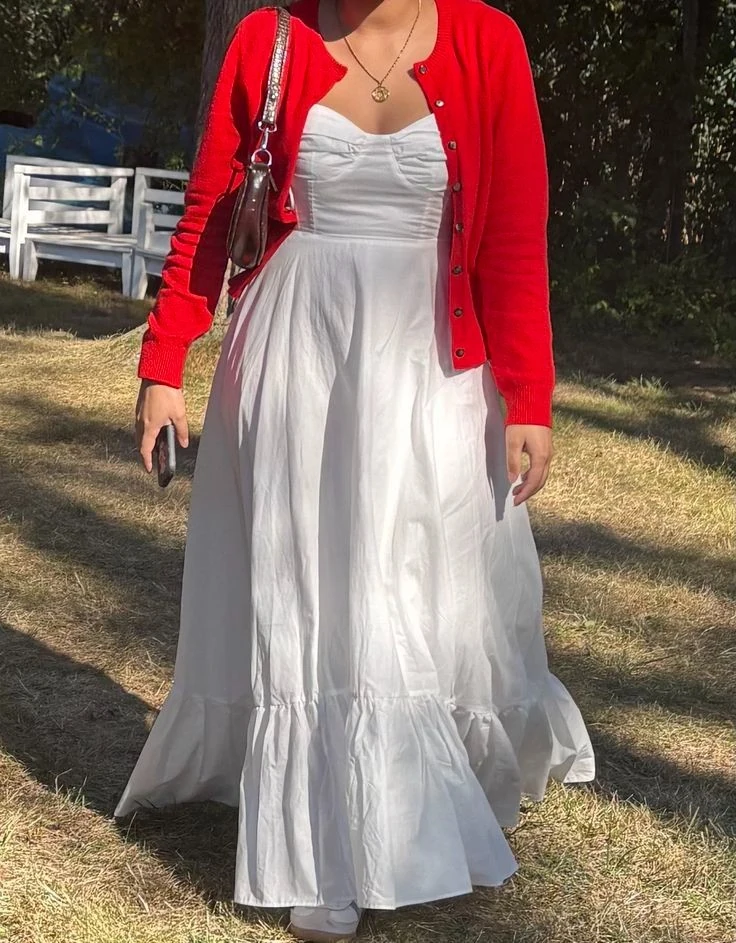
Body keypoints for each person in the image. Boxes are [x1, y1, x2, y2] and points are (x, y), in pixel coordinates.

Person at [115, 0, 596, 938]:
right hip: (298, 357)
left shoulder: (488, 41)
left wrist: (530, 395)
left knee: (407, 580)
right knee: (312, 591)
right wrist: (163, 361)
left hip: (433, 366)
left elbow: (513, 232)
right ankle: (329, 847)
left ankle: (414, 795)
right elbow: (212, 209)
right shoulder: (269, 38)